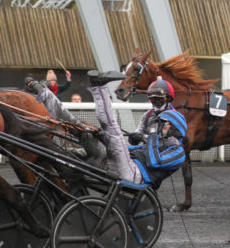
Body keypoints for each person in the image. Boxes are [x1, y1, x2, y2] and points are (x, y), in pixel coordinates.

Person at [27, 72, 187, 187]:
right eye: (153, 99)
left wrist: (147, 138)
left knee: (112, 132)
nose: (156, 102)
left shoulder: (178, 154)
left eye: (160, 99)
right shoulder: (149, 115)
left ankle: (99, 87)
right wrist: (137, 137)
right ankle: (44, 94)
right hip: (123, 160)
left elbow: (154, 161)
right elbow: (134, 141)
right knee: (81, 129)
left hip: (134, 174)